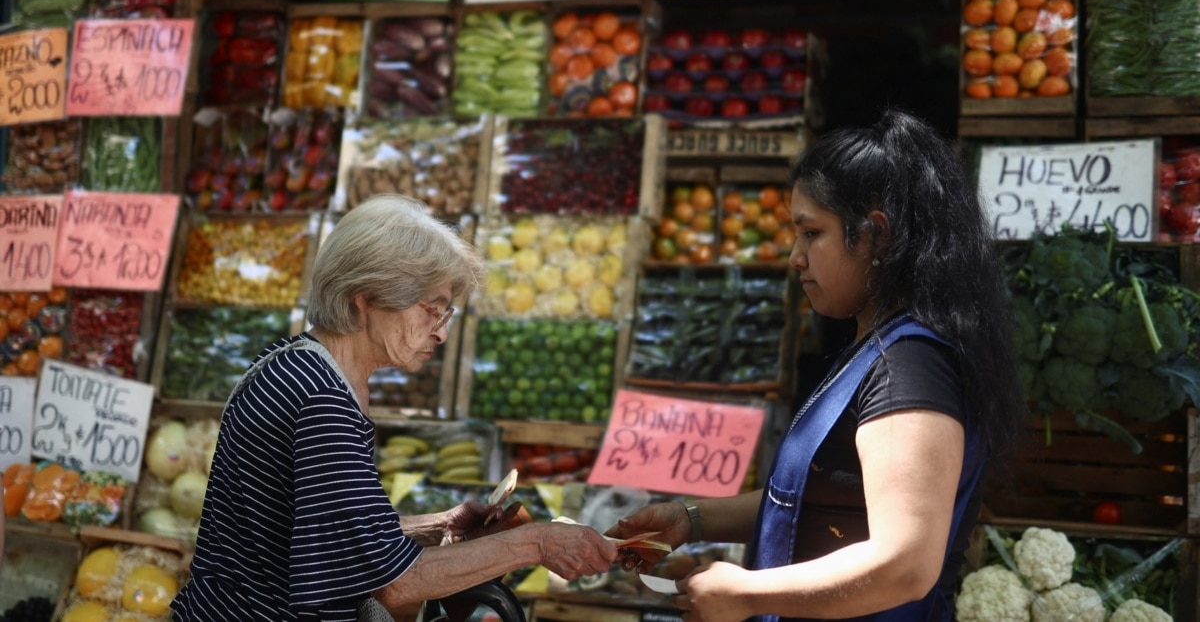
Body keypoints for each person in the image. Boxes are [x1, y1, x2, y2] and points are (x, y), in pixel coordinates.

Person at [607, 110, 1025, 622]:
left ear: (876, 235)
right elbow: (827, 491)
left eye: (812, 233)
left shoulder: (910, 367)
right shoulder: (881, 346)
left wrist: (746, 594)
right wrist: (691, 519)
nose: (795, 256)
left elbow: (907, 564)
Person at [173, 194, 618, 621]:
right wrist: (537, 543)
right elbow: (395, 583)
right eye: (432, 310)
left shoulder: (295, 362)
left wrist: (436, 524)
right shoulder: (321, 399)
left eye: (447, 315)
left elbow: (321, 529)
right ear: (365, 296)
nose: (441, 333)